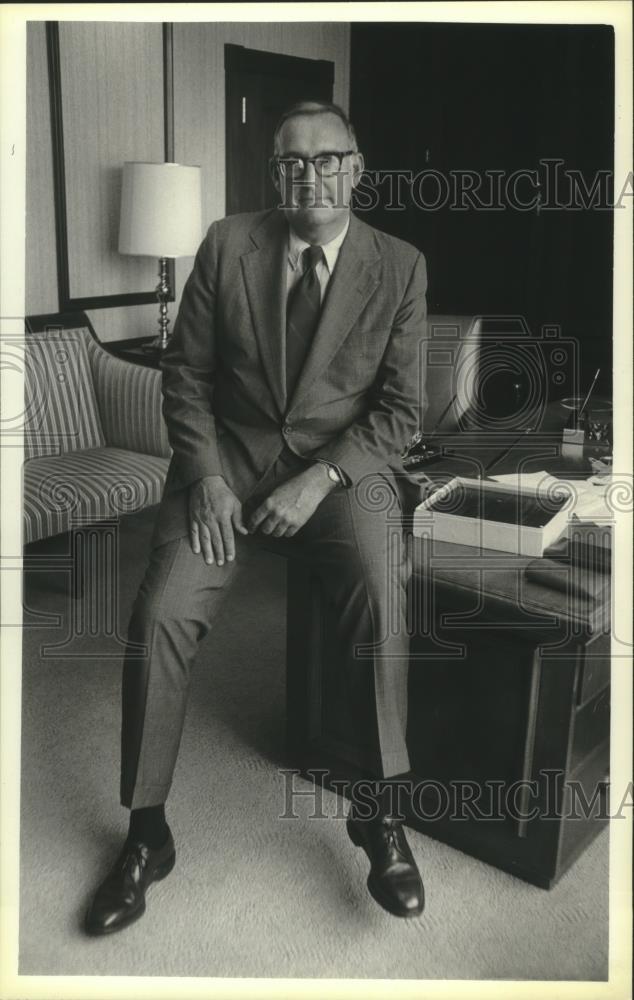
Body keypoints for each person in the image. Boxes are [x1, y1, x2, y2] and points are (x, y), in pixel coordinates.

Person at [85, 100, 428, 935]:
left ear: (356, 166)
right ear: (273, 172)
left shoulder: (402, 265)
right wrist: (202, 476)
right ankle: (145, 832)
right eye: (289, 162)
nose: (307, 175)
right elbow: (186, 374)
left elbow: (401, 412)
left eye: (325, 158)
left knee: (383, 600)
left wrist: (320, 480)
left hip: (338, 475)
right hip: (224, 467)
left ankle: (378, 812)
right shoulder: (226, 243)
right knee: (159, 612)